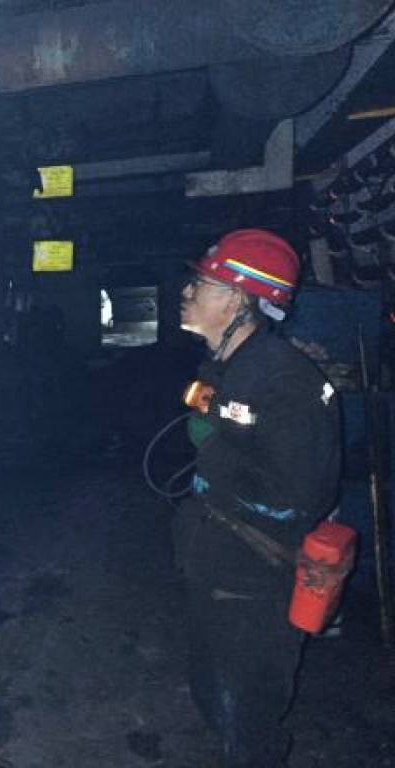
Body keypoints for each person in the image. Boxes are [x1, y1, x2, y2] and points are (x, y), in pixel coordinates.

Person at [173, 229, 341, 767]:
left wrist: (221, 462)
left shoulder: (282, 379)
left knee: (247, 712)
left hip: (254, 578)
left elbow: (299, 496)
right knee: (212, 692)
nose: (187, 292)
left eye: (201, 284)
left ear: (237, 300)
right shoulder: (227, 366)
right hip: (215, 562)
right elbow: (217, 423)